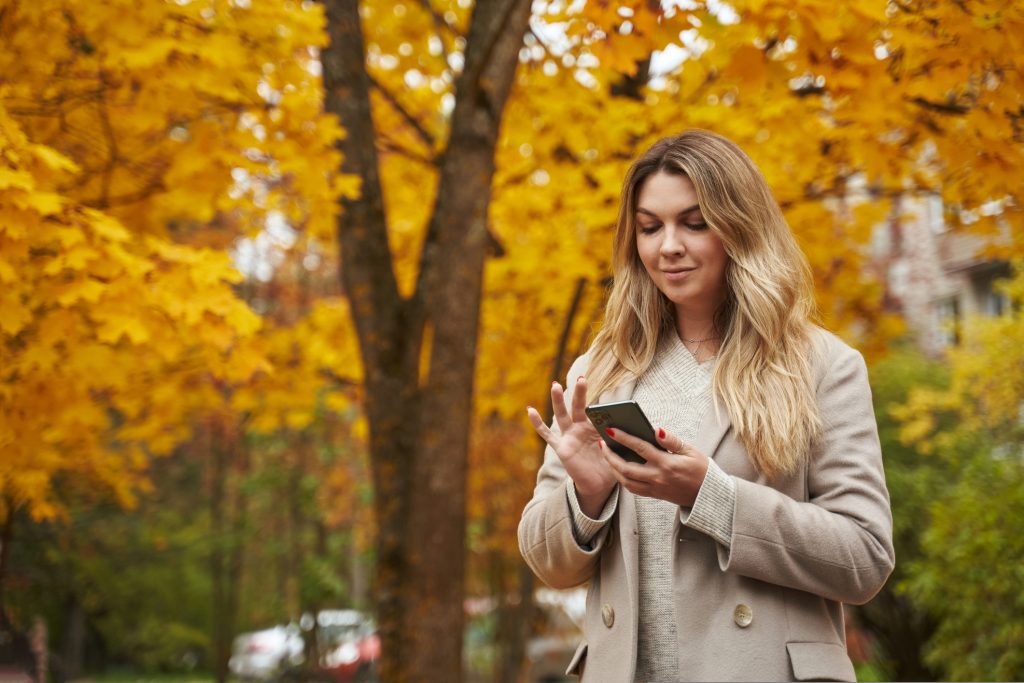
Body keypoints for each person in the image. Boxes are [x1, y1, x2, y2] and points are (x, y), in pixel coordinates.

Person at [518, 130, 894, 682]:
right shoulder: (600, 371)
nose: (668, 245)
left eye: (694, 223)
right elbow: (546, 561)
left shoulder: (821, 367)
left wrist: (712, 497)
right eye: (650, 227)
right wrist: (587, 494)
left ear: (740, 226)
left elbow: (863, 558)